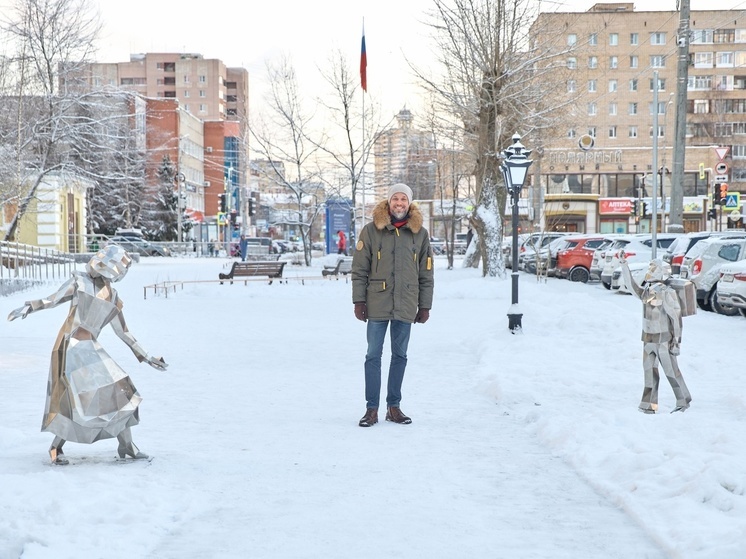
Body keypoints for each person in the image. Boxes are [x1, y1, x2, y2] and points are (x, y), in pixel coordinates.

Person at [7, 245, 168, 464]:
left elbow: (124, 333)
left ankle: (127, 445)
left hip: (90, 347)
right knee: (72, 399)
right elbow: (52, 299)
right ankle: (56, 447)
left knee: (120, 389)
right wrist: (28, 307)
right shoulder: (79, 282)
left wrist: (147, 357)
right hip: (69, 345)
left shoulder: (112, 297)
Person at [351, 183, 434, 427]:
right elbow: (359, 270)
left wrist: (425, 305)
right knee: (373, 356)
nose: (399, 203)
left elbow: (426, 273)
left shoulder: (420, 234)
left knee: (400, 356)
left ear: (409, 204)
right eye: (395, 199)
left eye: (403, 199)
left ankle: (394, 407)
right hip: (377, 301)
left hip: (406, 302)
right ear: (388, 202)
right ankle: (372, 409)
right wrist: (359, 301)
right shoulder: (370, 231)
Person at [620, 254, 691, 414]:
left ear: (660, 271)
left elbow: (676, 319)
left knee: (671, 372)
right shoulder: (647, 291)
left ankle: (683, 400)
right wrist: (624, 266)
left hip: (664, 339)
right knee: (649, 372)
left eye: (652, 268)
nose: (649, 271)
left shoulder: (667, 292)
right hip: (648, 338)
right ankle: (648, 404)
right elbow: (632, 287)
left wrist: (676, 342)